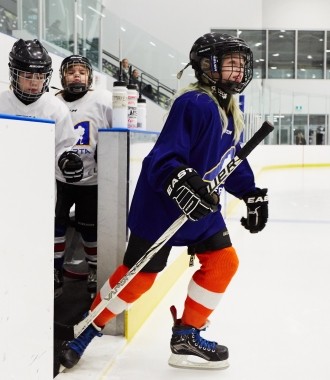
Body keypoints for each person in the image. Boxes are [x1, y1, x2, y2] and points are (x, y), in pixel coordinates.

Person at [59, 33, 269, 370]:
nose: (239, 70)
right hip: (163, 205)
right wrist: (181, 179)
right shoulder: (195, 103)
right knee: (140, 276)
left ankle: (187, 334)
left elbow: (230, 159)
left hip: (199, 207)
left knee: (223, 262)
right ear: (207, 66)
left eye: (242, 63)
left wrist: (251, 193)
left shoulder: (228, 108)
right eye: (231, 62)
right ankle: (88, 328)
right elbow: (162, 158)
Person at [0, 39, 84, 298]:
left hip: (39, 193)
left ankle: (33, 292)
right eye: (27, 75)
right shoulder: (1, 103)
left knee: (36, 244)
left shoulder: (54, 108)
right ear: (14, 73)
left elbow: (63, 148)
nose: (34, 81)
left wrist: (68, 161)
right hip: (5, 190)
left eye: (39, 75)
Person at [54, 55, 112, 298]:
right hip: (58, 179)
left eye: (82, 72)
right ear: (62, 77)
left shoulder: (102, 100)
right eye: (71, 72)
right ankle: (55, 269)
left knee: (90, 229)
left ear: (90, 77)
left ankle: (94, 269)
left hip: (91, 181)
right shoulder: (53, 102)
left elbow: (118, 131)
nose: (77, 75)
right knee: (54, 225)